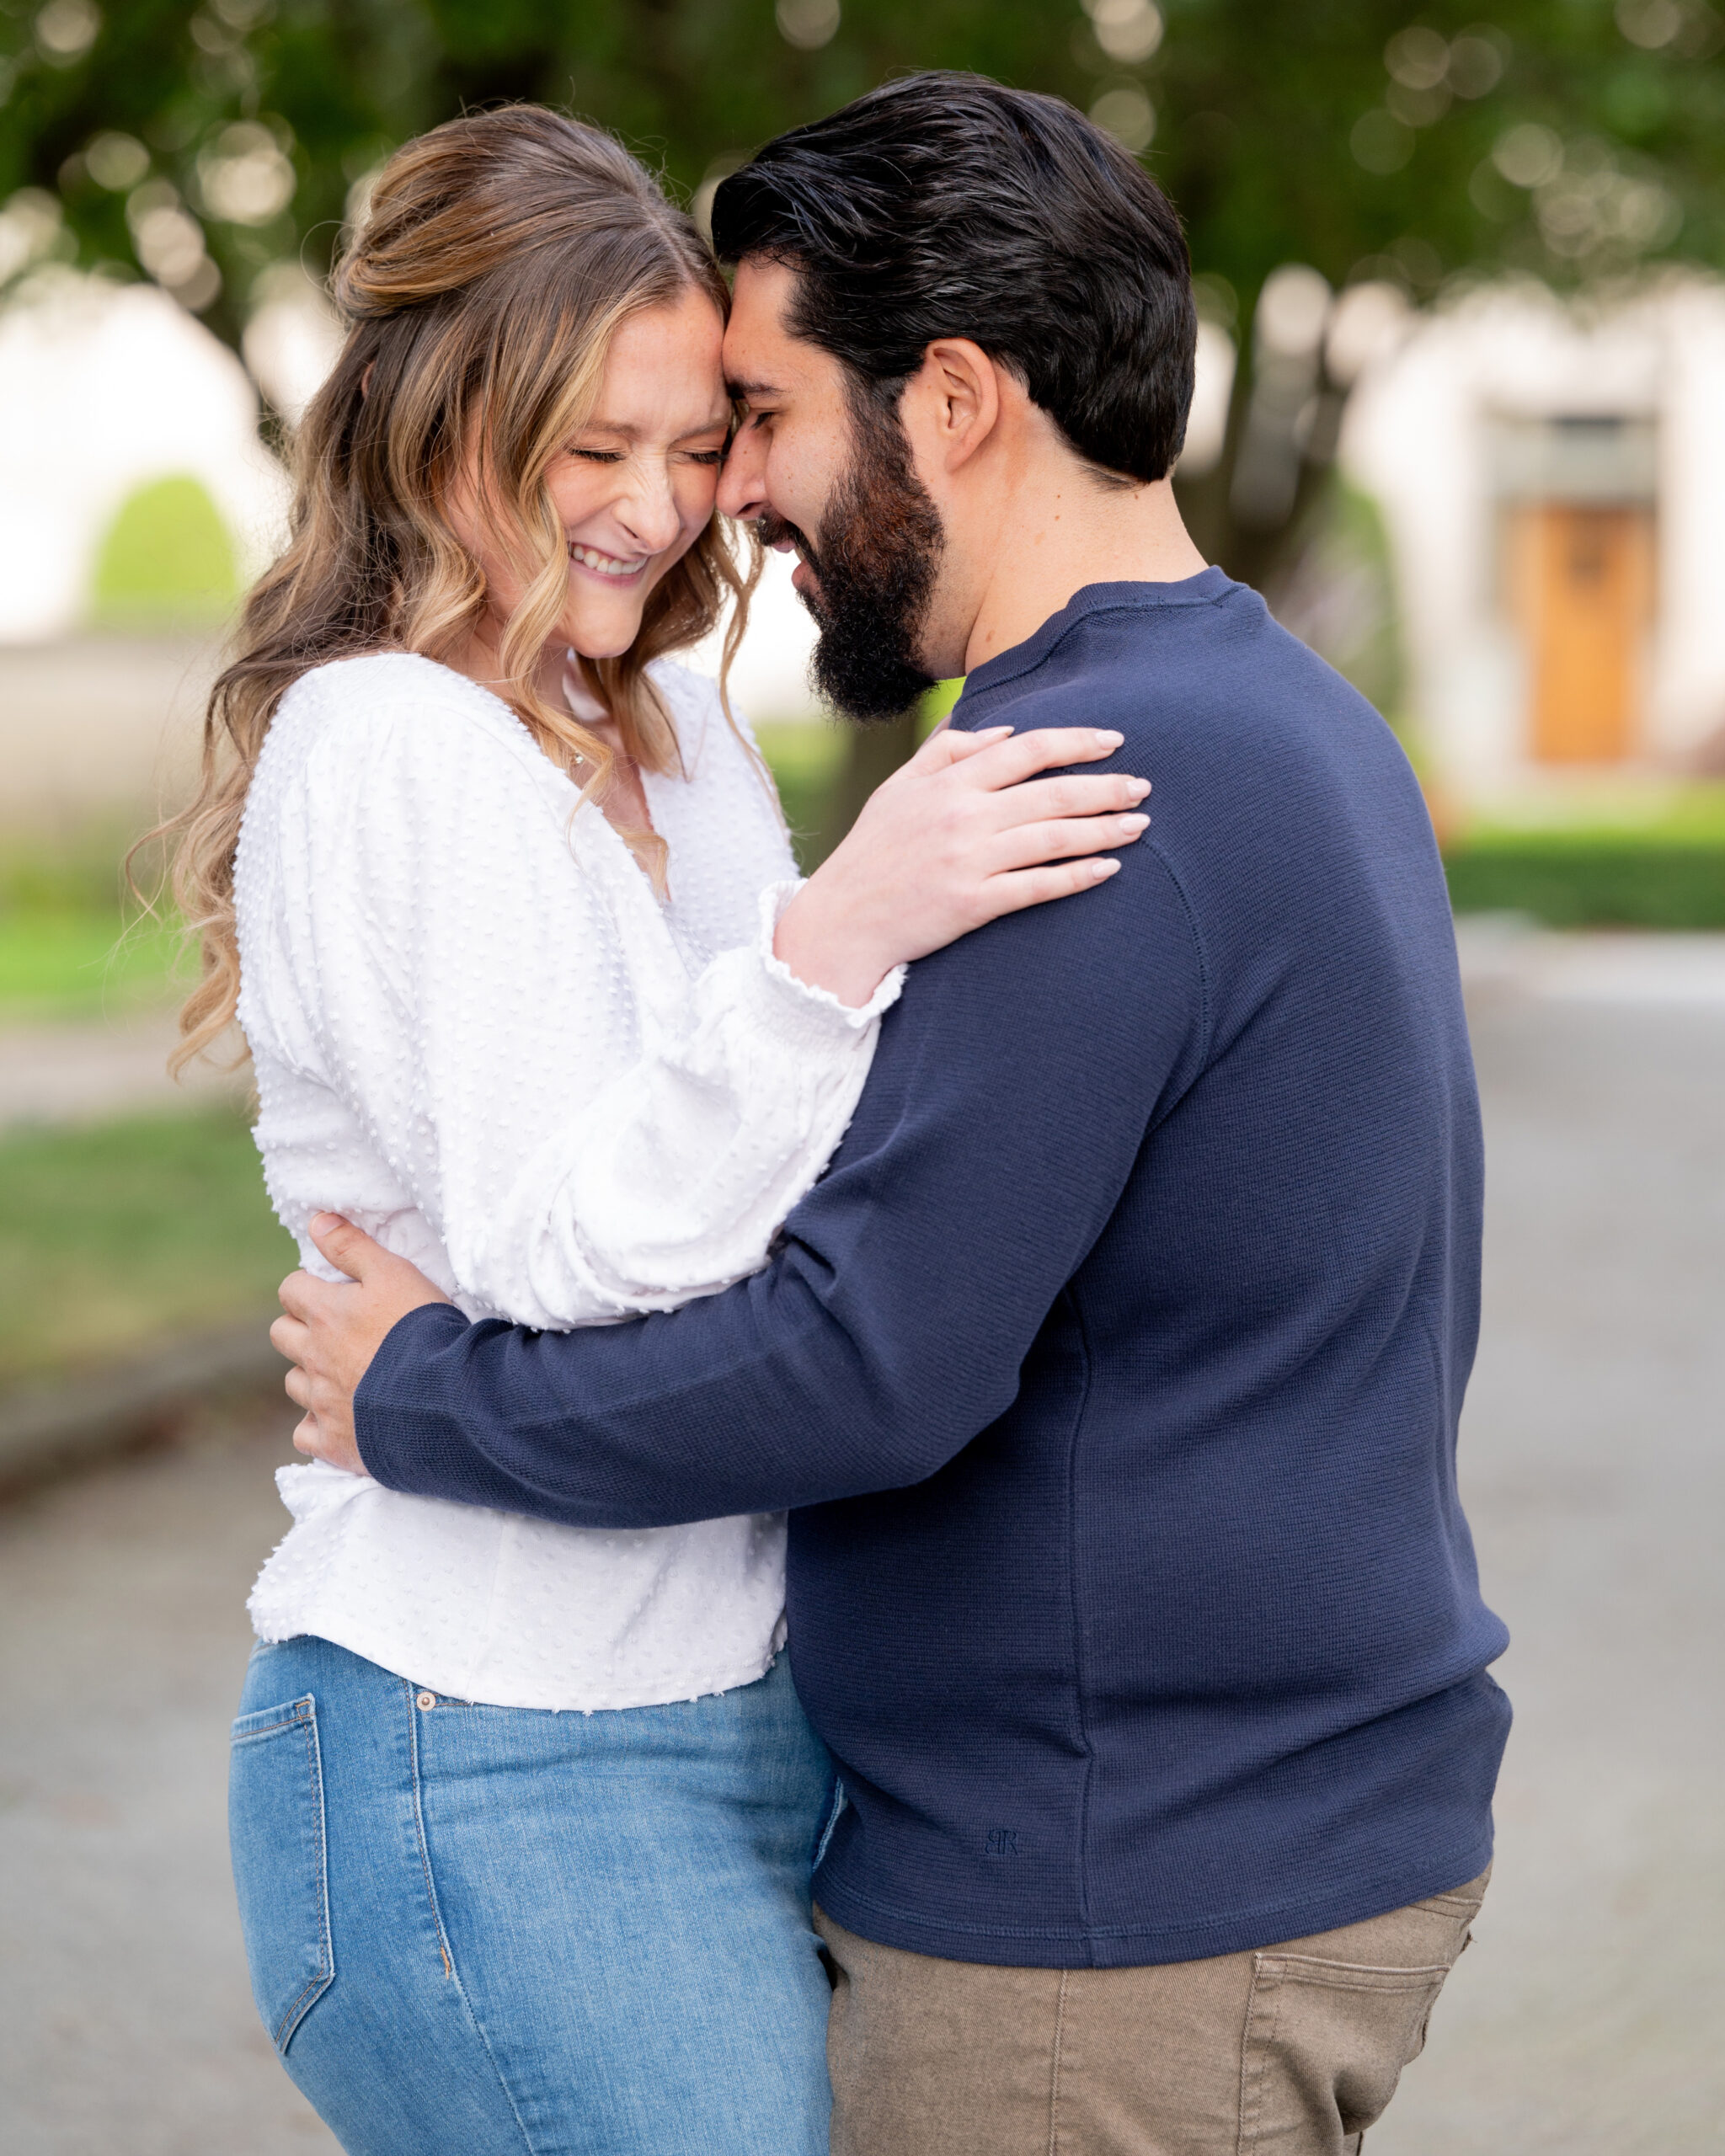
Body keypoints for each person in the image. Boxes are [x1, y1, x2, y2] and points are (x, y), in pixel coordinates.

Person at [280, 76, 1512, 2156]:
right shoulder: (1274, 709)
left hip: (1110, 1904)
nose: (724, 498)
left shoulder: (1077, 783)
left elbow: (864, 1357)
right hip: (1242, 1826)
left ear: (947, 398)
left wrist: (417, 1399)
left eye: (757, 416)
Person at [168, 104, 1151, 2156]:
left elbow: (802, 1188)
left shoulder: (681, 725)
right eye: (586, 449)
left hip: (756, 1709)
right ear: (436, 422)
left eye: (695, 442)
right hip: (488, 1743)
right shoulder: (388, 743)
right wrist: (829, 943)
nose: (651, 507)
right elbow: (560, 1246)